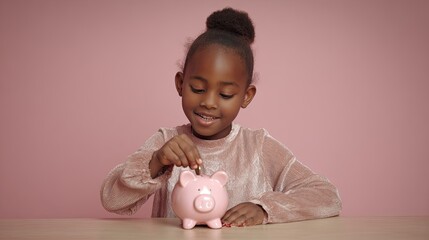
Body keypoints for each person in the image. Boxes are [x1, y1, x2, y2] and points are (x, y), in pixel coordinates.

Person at [100, 7, 342, 227]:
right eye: (197, 89)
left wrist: (264, 208)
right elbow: (111, 199)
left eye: (225, 94)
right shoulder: (166, 142)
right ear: (180, 84)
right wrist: (157, 161)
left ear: (246, 96)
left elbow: (327, 195)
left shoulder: (258, 147)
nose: (209, 102)